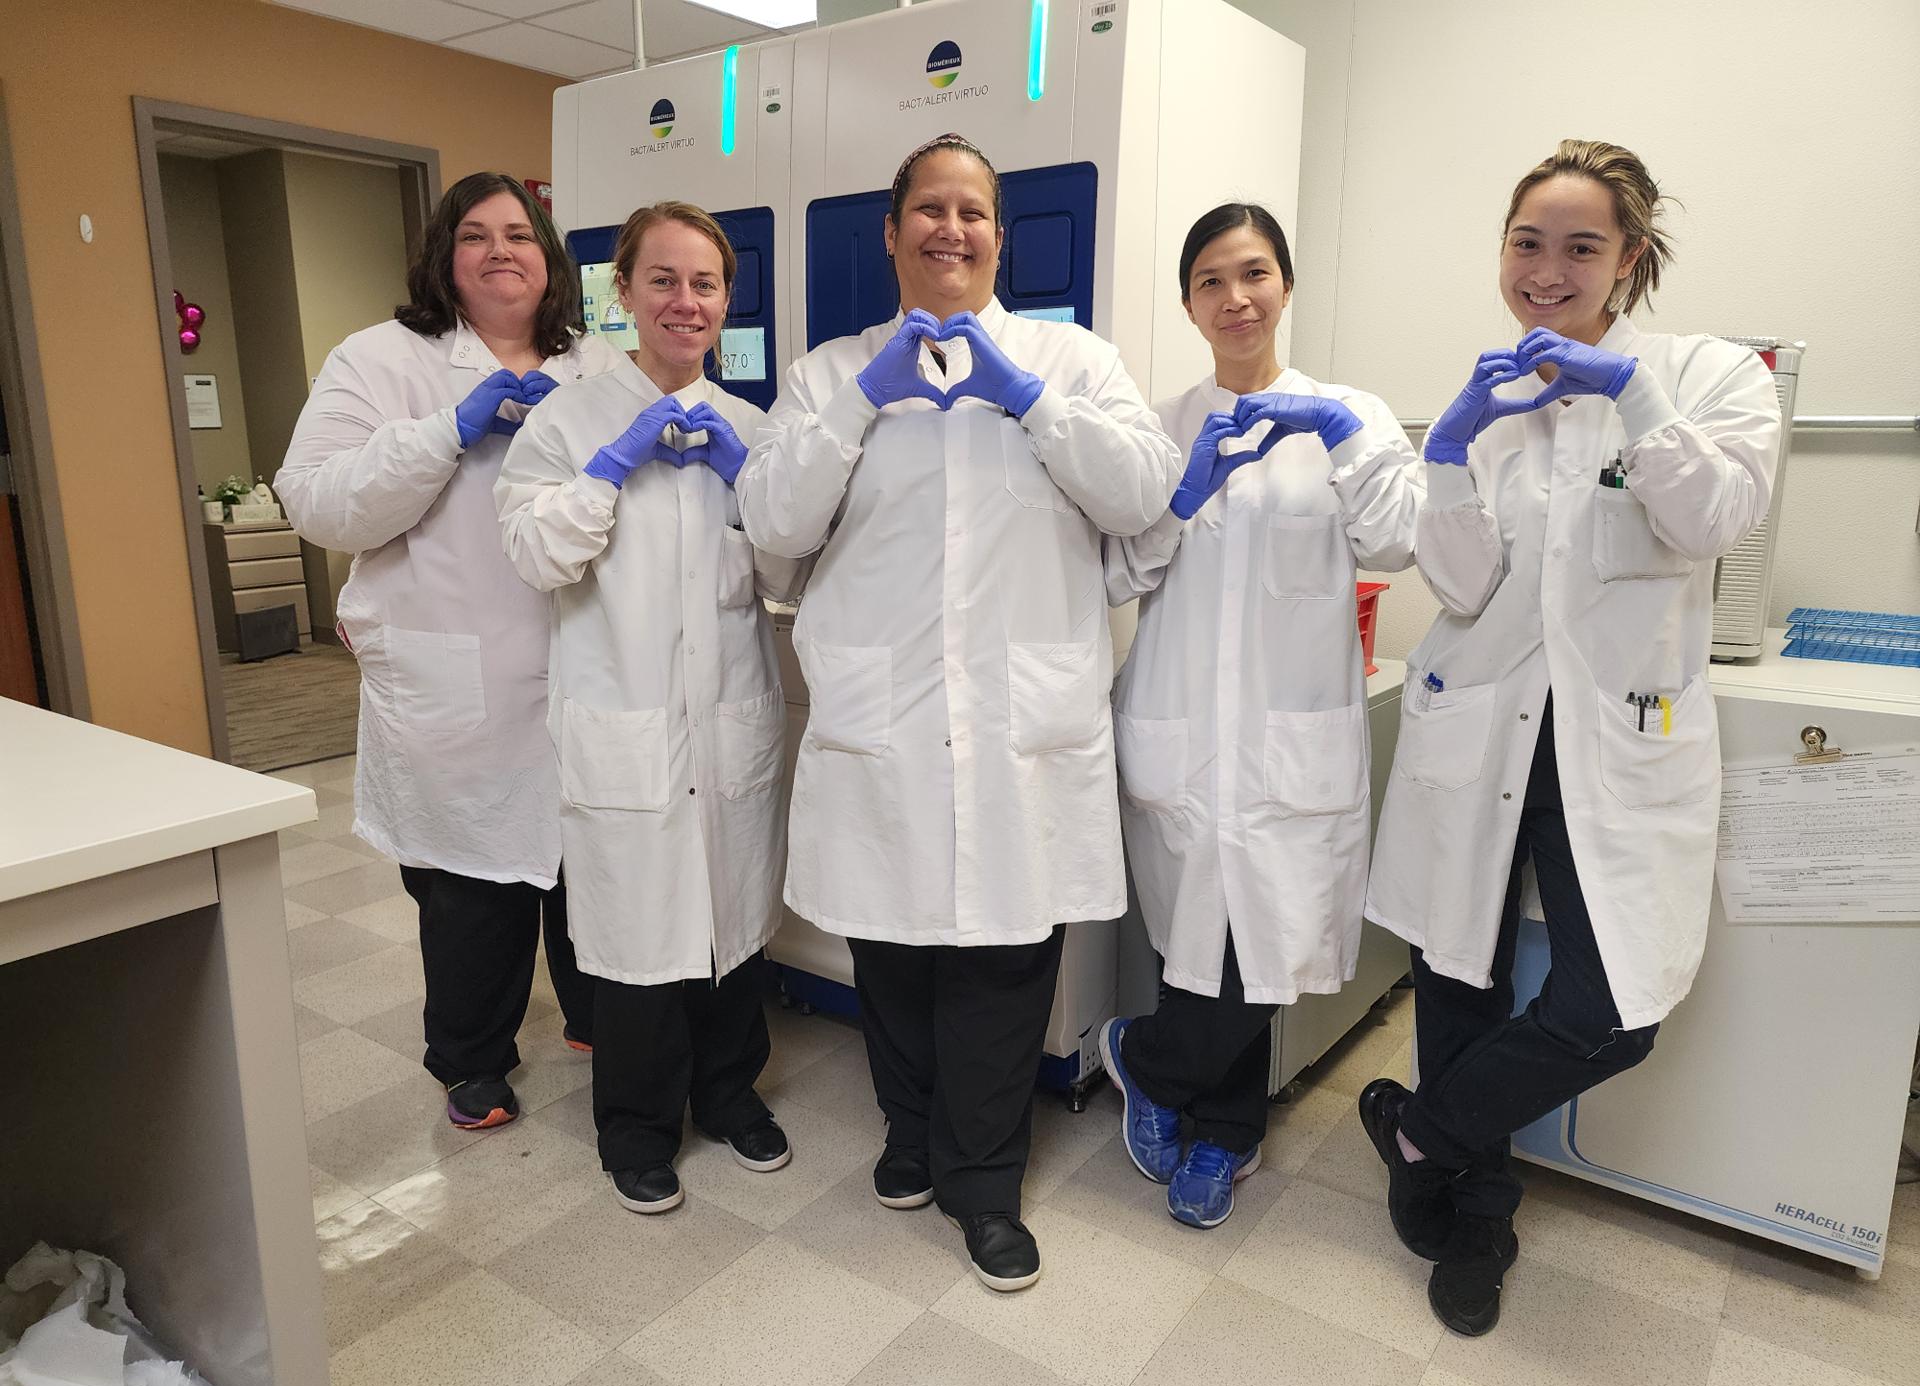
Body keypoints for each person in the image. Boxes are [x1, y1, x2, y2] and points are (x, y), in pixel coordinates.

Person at [736, 133, 1180, 1290]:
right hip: (884, 719)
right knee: (889, 946)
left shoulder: (1072, 359)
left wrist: (1032, 403)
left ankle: (984, 1186)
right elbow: (775, 520)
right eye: (927, 210)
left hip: (1019, 726)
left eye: (973, 211)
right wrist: (860, 411)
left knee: (1000, 958)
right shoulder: (832, 373)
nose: (951, 228)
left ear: (998, 235)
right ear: (890, 234)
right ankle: (910, 1132)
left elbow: (1142, 491)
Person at [1360, 140, 1782, 1335]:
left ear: (1629, 260)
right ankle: (1477, 1209)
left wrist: (1628, 397)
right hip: (1484, 729)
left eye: (1580, 246)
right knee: (1457, 977)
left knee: (1614, 1009)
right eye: (1527, 243)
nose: (1547, 270)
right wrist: (1447, 451)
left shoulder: (1709, 378)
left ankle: (1420, 1131)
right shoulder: (1491, 398)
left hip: (1615, 748)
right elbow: (1464, 582)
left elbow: (1710, 519)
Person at [279, 174, 626, 1131]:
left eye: (520, 234)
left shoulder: (598, 363)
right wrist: (445, 433)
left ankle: (597, 1014)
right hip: (456, 665)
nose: (500, 250)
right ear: (445, 257)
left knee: (591, 852)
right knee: (473, 882)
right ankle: (471, 1057)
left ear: (551, 259)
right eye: (476, 235)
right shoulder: (381, 361)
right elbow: (315, 503)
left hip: (584, 659)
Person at [1099, 203, 1422, 1230]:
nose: (1235, 298)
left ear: (1284, 283)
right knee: (1197, 942)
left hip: (1291, 729)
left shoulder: (1351, 411)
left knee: (1268, 948)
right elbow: (1120, 567)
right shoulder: (1156, 425)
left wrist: (1348, 450)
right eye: (1210, 281)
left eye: (1254, 274)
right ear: (1188, 301)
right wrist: (1178, 498)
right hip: (1182, 724)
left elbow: (1395, 544)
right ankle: (1219, 1136)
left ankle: (1144, 1060)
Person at [496, 201, 803, 1214]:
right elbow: (536, 552)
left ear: (727, 299)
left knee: (731, 922)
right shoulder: (564, 423)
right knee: (634, 943)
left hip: (729, 730)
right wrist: (612, 464)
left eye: (705, 284)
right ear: (620, 292)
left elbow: (792, 576)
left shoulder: (752, 429)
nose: (685, 302)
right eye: (663, 280)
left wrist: (747, 481)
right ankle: (635, 1126)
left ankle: (728, 1096)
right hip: (621, 729)